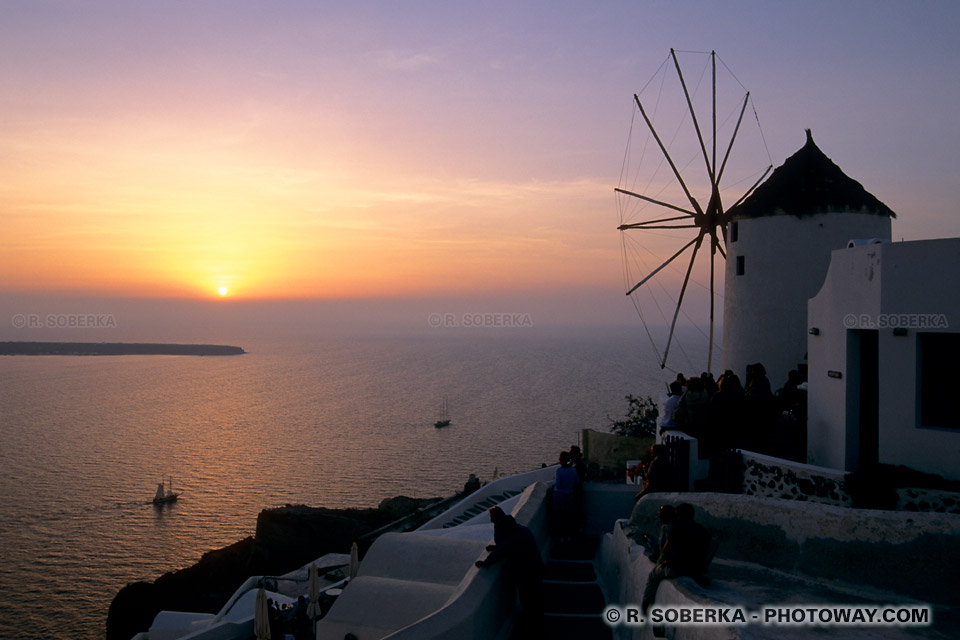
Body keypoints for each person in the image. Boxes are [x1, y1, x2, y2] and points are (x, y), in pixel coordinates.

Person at [475, 506, 544, 633]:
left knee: (528, 596)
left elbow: (503, 549)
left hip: (528, 569)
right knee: (532, 595)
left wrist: (485, 563)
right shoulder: (515, 528)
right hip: (533, 566)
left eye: (491, 518)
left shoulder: (511, 533)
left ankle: (533, 624)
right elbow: (504, 544)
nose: (491, 521)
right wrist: (496, 546)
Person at [641, 503, 713, 615]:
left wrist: (666, 561)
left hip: (677, 569)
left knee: (653, 576)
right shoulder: (701, 530)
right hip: (696, 570)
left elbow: (667, 549)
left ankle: (645, 607)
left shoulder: (677, 529)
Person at [552, 450, 579, 542]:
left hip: (559, 496)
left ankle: (561, 537)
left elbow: (558, 484)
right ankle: (569, 536)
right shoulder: (573, 470)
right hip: (569, 495)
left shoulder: (559, 471)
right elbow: (577, 482)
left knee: (559, 516)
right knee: (568, 516)